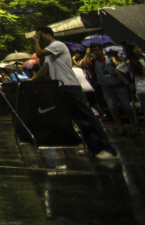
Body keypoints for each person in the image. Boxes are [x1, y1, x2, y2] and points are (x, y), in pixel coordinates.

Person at [29, 26, 117, 160]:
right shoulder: (50, 52)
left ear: (48, 34)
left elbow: (39, 54)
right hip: (61, 88)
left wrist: (35, 41)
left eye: (40, 35)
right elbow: (45, 69)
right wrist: (32, 79)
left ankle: (107, 149)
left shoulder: (57, 45)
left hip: (70, 86)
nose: (40, 38)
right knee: (79, 119)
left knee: (88, 117)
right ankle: (92, 148)